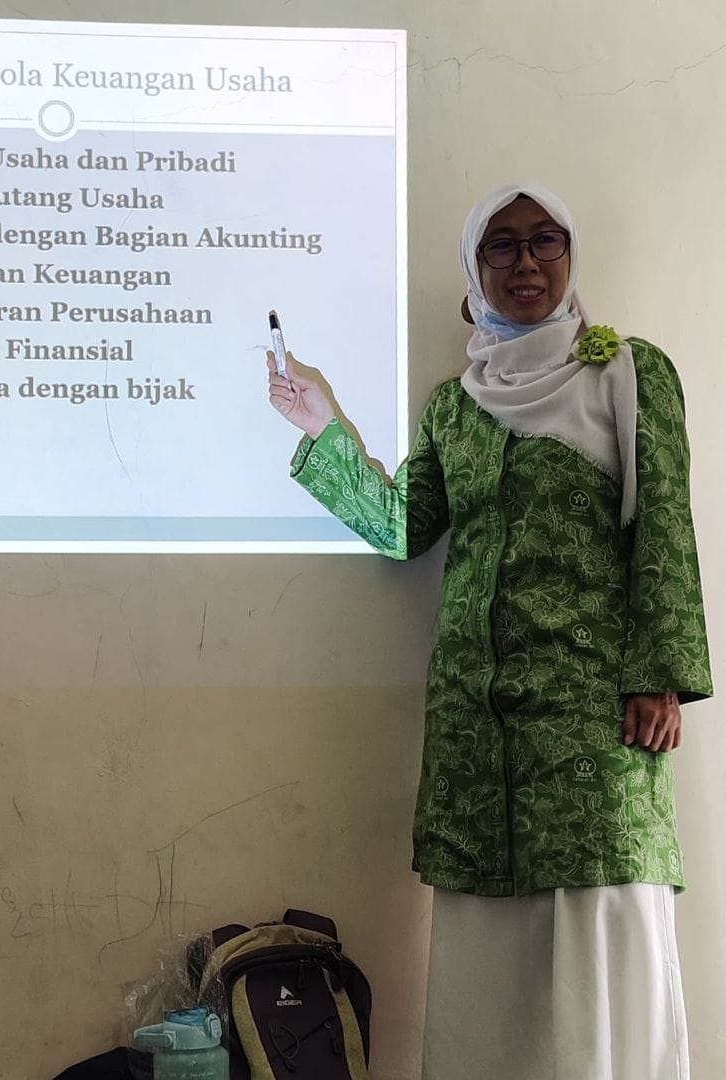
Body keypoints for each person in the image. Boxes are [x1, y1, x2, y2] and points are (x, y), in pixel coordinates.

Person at [267, 183, 713, 1080]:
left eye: (545, 240)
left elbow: (664, 527)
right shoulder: (454, 406)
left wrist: (660, 675)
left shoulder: (627, 374)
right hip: (479, 740)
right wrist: (326, 421)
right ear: (474, 271)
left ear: (570, 253)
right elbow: (403, 528)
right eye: (501, 246)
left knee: (599, 949)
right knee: (489, 984)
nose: (527, 263)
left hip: (595, 728)